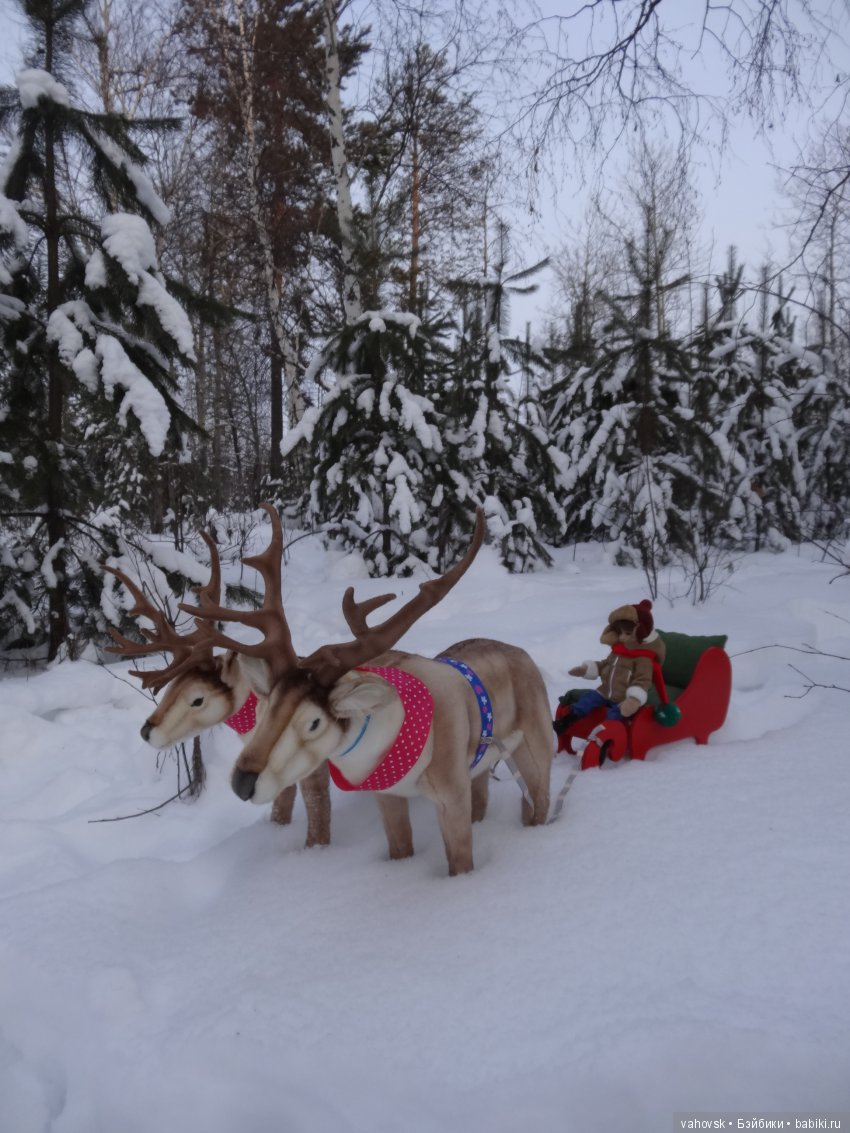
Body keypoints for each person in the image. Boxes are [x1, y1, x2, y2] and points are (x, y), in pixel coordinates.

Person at [553, 599, 666, 735]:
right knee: (588, 699)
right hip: (606, 692)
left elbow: (643, 680)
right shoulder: (619, 651)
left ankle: (605, 737)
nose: (622, 638)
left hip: (624, 698)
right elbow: (605, 665)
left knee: (615, 714)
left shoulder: (643, 658)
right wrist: (587, 669)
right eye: (620, 633)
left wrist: (634, 699)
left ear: (641, 631)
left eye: (628, 634)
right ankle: (568, 720)